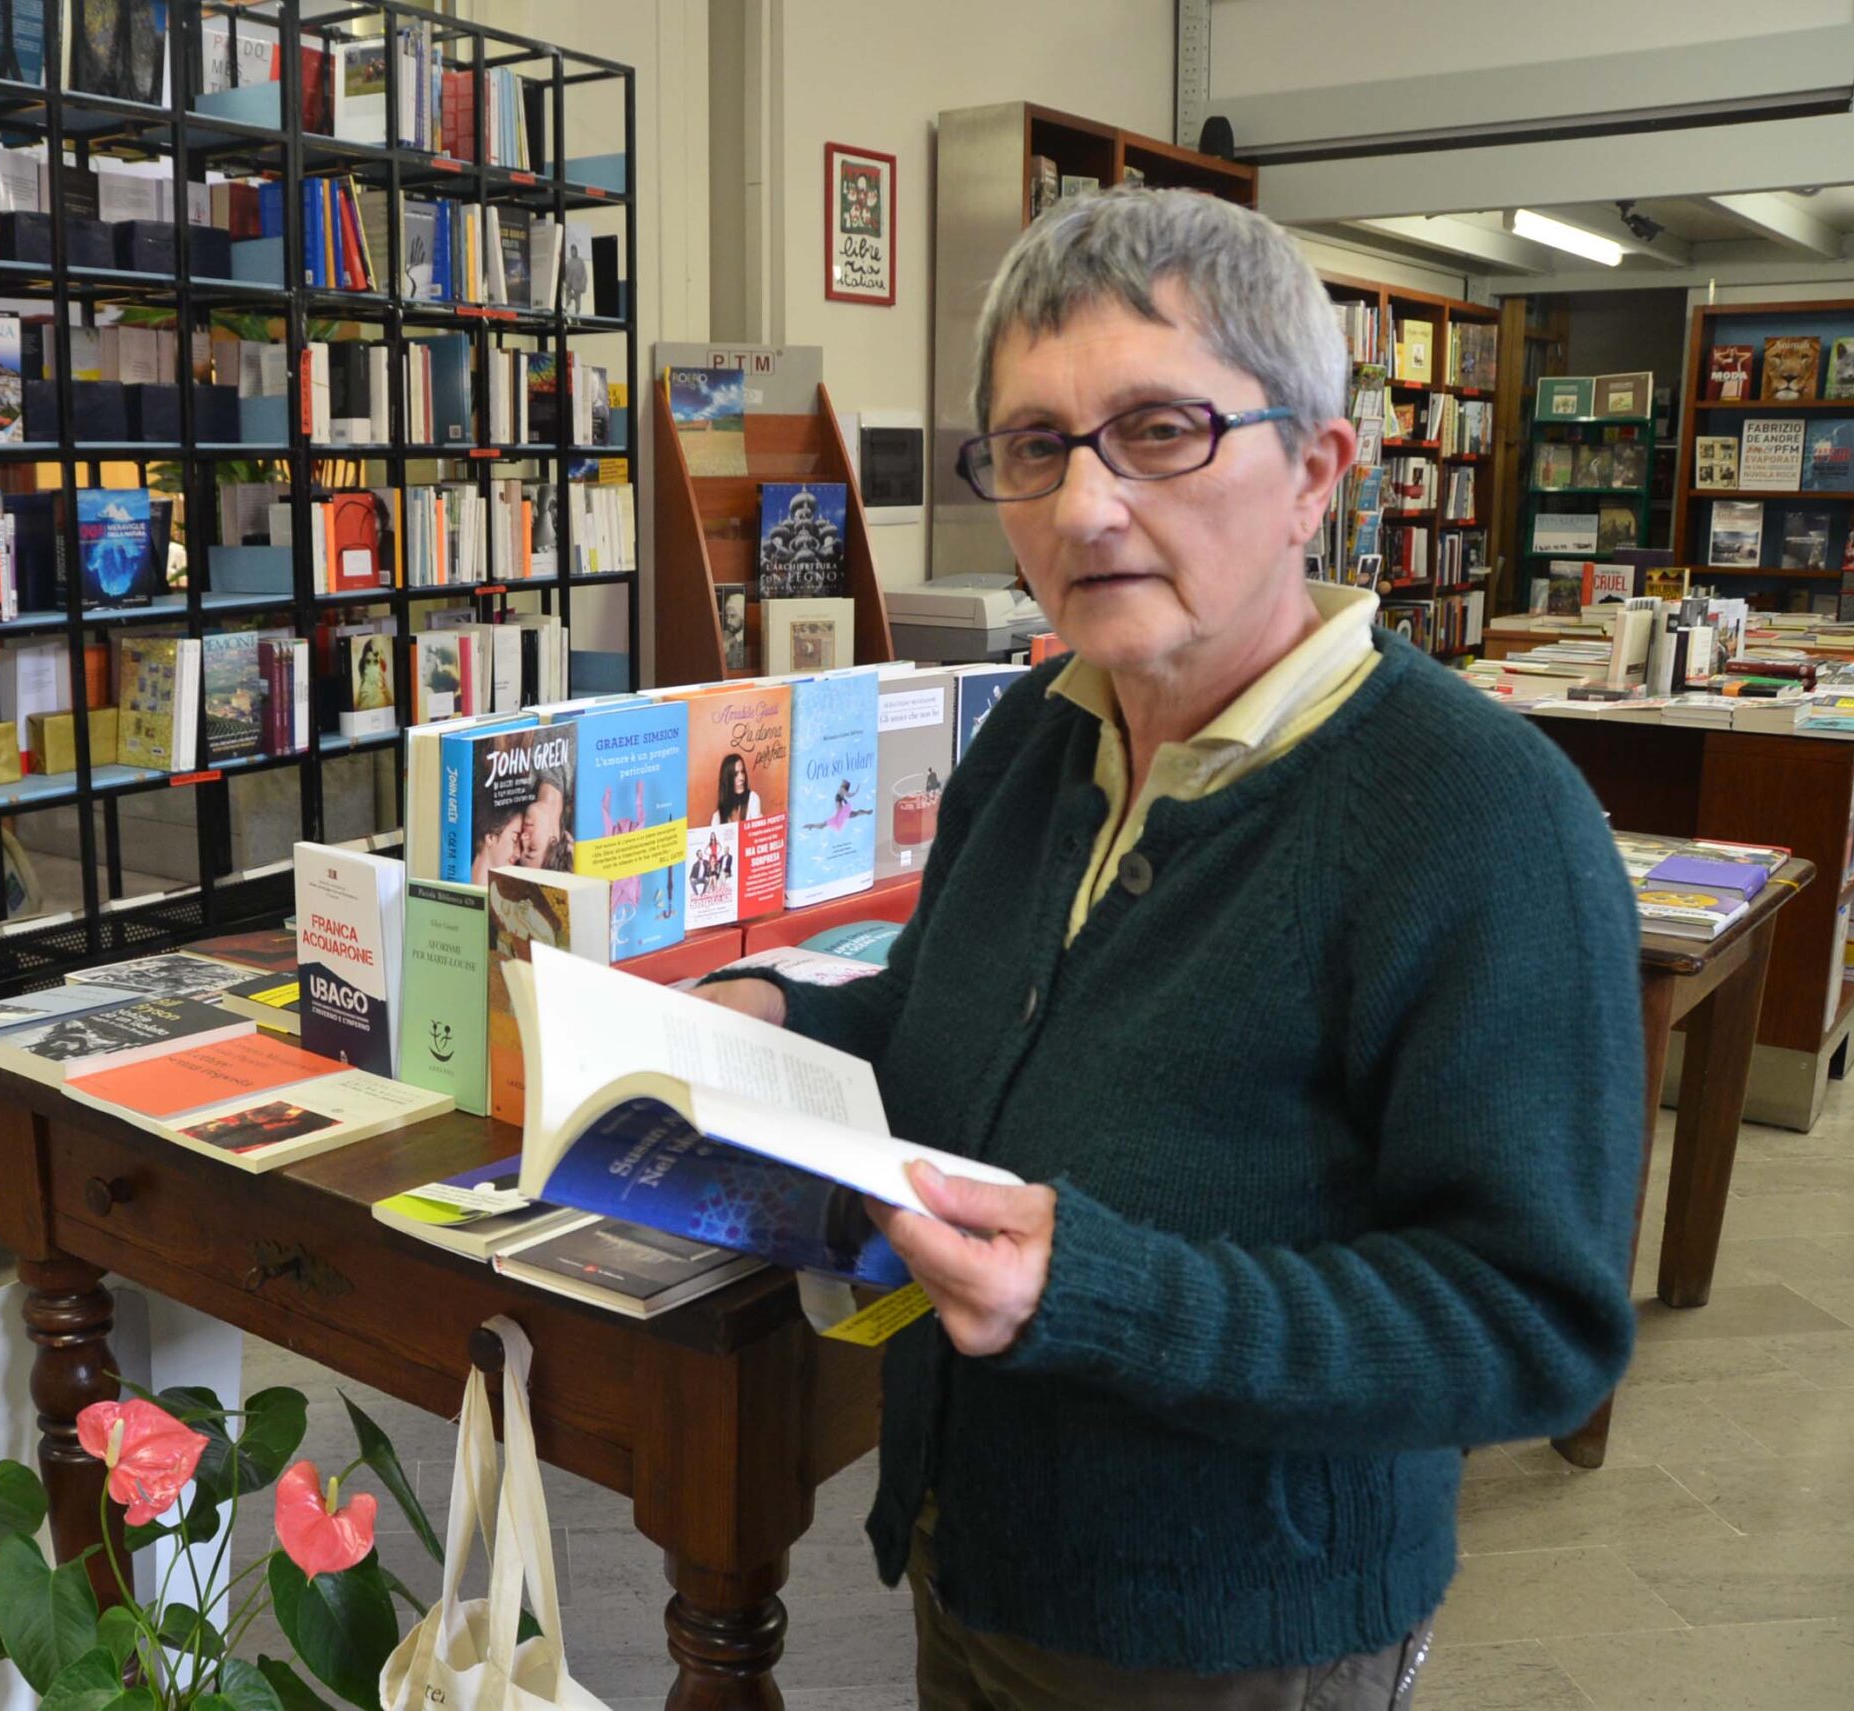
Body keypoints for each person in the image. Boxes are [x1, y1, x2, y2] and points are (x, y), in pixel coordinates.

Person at [696, 188, 1642, 1709]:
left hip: (1234, 1635)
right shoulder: (1034, 737)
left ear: (1314, 473)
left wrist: (1104, 1290)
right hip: (979, 1556)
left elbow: (1535, 1321)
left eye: (1159, 430)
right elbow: (962, 1024)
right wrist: (775, 1016)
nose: (1082, 509)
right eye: (1033, 445)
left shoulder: (1480, 818)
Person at [713, 753, 761, 824]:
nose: (741, 778)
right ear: (727, 778)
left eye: (742, 772)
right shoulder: (717, 817)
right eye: (736, 774)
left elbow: (756, 832)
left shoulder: (753, 798)